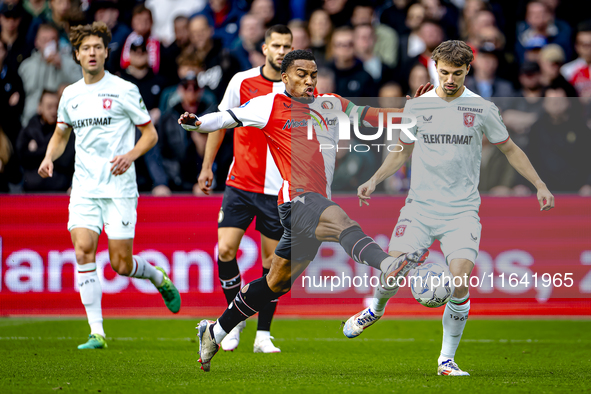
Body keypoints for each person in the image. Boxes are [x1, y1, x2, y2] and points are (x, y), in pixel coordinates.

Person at [179, 49, 432, 372]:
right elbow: (226, 117)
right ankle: (388, 264)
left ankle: (214, 331)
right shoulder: (268, 105)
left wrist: (412, 111)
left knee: (276, 282)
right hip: (295, 201)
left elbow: (373, 116)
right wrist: (198, 123)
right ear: (284, 77)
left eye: (313, 75)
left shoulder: (331, 103)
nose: (309, 81)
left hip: (313, 205)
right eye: (302, 74)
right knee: (341, 221)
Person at [342, 40, 555, 377]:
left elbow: (510, 149)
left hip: (462, 212)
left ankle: (446, 360)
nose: (450, 79)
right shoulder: (418, 107)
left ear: (468, 69)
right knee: (391, 270)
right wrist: (374, 179)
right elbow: (401, 151)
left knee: (459, 283)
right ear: (434, 66)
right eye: (444, 73)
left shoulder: (483, 108)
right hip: (419, 208)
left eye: (457, 73)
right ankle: (374, 310)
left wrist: (540, 185)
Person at [37, 21, 181, 350]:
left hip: (119, 188)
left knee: (120, 263)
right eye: (85, 48)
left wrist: (130, 155)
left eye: (97, 47)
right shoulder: (70, 95)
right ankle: (96, 332)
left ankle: (157, 277)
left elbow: (150, 134)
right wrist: (49, 157)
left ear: (106, 53)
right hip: (85, 187)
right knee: (83, 249)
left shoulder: (124, 90)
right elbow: (61, 135)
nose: (92, 52)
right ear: (76, 54)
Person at [196, 25, 293, 354]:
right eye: (276, 45)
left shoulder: (298, 87)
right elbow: (220, 122)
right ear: (264, 48)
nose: (281, 51)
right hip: (240, 183)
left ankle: (263, 334)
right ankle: (234, 321)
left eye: (286, 46)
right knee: (225, 250)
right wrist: (207, 166)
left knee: (272, 264)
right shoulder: (242, 81)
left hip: (276, 188)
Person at [18, 23, 81, 125]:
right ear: (36, 42)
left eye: (52, 40)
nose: (48, 44)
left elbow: (82, 89)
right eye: (44, 40)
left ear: (58, 42)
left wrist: (61, 66)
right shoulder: (26, 66)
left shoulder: (70, 63)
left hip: (60, 121)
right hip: (30, 121)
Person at [17, 89, 75, 191]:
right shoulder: (28, 130)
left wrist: (38, 149)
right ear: (39, 107)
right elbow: (22, 158)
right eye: (49, 107)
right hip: (31, 192)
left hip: (59, 192)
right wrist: (52, 151)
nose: (53, 111)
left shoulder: (67, 131)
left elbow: (65, 160)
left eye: (56, 107)